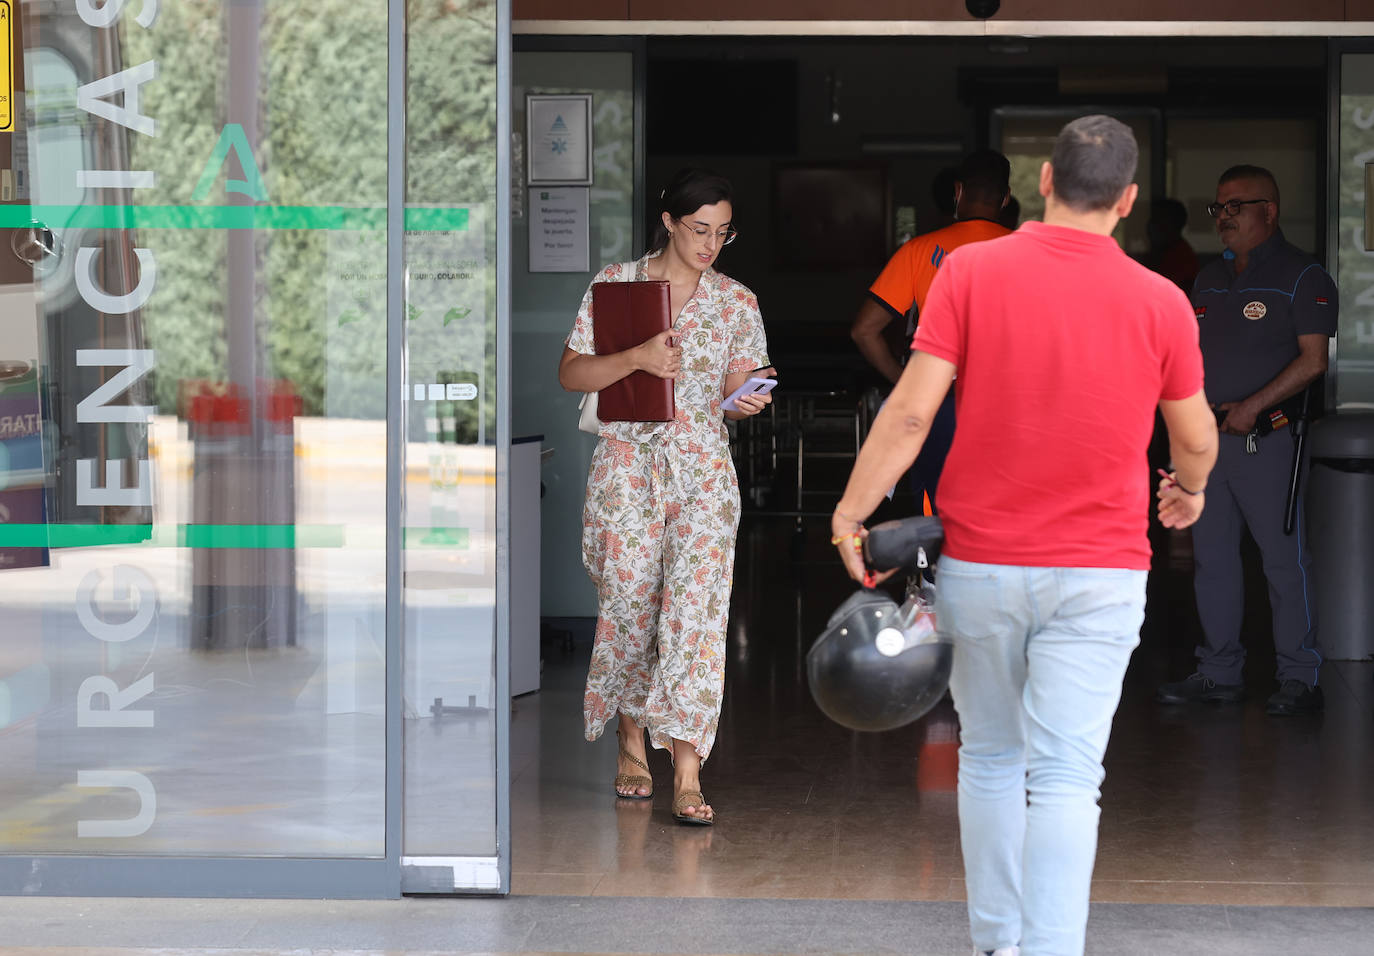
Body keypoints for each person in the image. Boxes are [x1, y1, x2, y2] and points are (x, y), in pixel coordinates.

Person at [830, 115, 1217, 956]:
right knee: (1070, 779)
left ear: (1041, 184)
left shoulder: (970, 270)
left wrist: (854, 510)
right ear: (1128, 200)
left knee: (993, 761)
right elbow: (1193, 438)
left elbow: (911, 412)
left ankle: (997, 943)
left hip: (983, 564)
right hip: (1101, 570)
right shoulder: (1161, 299)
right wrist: (1187, 492)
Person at [557, 168, 773, 826]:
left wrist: (747, 401)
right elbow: (573, 374)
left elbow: (740, 393)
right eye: (700, 230)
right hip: (627, 471)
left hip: (703, 472)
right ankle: (630, 741)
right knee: (628, 609)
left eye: (723, 233)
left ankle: (685, 766)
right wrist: (637, 359)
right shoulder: (616, 286)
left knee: (695, 622)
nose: (711, 244)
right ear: (670, 222)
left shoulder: (737, 301)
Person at [1155, 165, 1338, 716]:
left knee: (1284, 562)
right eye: (1218, 207)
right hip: (1208, 445)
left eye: (1235, 206)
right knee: (1212, 561)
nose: (1223, 218)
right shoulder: (1207, 279)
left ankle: (1300, 677)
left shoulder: (1303, 276)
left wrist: (1254, 406)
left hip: (1270, 441)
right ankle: (1218, 673)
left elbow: (1315, 360)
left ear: (1269, 211)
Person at [849, 150, 1013, 512]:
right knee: (1001, 516)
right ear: (1005, 198)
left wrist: (904, 380)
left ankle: (934, 571)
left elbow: (865, 330)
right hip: (1008, 406)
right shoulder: (1033, 256)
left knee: (937, 519)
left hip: (937, 402)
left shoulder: (919, 251)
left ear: (957, 192)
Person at [1142, 197, 1200, 292]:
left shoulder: (1182, 258)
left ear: (1172, 224)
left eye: (1157, 220)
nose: (1150, 225)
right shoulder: (1160, 252)